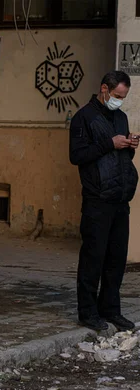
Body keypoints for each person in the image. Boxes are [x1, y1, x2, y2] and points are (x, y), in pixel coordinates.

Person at [69, 70, 139, 331]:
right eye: (118, 95)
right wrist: (110, 143)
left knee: (116, 259)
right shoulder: (83, 117)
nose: (119, 100)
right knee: (93, 258)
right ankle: (87, 312)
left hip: (120, 198)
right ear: (104, 89)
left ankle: (111, 309)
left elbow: (120, 159)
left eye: (123, 97)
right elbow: (76, 156)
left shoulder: (120, 117)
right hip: (97, 199)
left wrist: (129, 145)